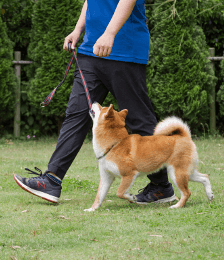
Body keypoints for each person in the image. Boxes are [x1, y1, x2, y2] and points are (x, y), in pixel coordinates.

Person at [14, 0, 176, 205]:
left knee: (138, 119)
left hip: (124, 49)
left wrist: (110, 33)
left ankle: (161, 187)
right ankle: (52, 179)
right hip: (90, 50)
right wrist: (77, 29)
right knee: (77, 113)